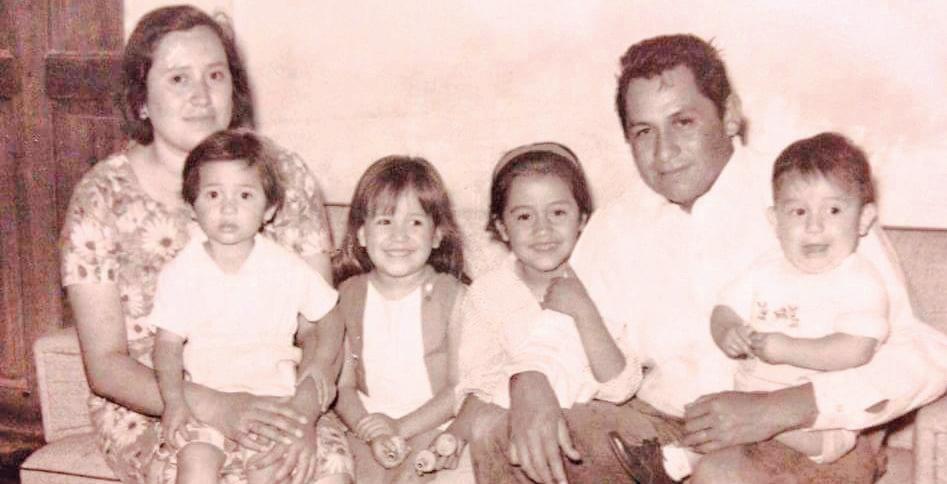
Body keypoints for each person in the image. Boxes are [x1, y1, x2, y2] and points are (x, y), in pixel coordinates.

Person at [471, 33, 947, 484]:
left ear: (730, 115)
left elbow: (922, 352)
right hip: (661, 427)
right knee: (502, 438)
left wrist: (788, 406)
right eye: (644, 131)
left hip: (806, 434)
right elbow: (567, 327)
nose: (664, 152)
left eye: (683, 122)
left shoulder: (809, 199)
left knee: (722, 475)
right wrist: (532, 379)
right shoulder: (617, 225)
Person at [60, 6, 352, 483]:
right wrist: (219, 406)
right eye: (178, 78)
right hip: (158, 402)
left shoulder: (283, 174)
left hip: (274, 386)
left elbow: (319, 327)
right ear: (140, 99)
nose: (201, 94)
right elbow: (107, 366)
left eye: (215, 75)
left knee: (325, 466)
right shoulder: (101, 198)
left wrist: (303, 408)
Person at [676, 132, 888, 479]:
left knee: (741, 430)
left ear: (864, 219)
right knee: (706, 408)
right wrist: (727, 331)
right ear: (775, 221)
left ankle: (693, 456)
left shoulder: (859, 280)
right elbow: (724, 309)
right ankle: (681, 457)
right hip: (748, 403)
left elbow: (856, 349)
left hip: (820, 422)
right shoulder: (765, 269)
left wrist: (785, 348)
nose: (814, 226)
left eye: (833, 210)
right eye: (798, 211)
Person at [428, 142, 641, 479]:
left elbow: (620, 387)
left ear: (582, 219)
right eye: (524, 216)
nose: (543, 229)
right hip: (512, 434)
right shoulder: (488, 293)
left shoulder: (599, 280)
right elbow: (481, 382)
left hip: (592, 431)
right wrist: (456, 432)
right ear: (501, 227)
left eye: (557, 213)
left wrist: (584, 311)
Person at [150, 130, 344, 483]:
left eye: (244, 195)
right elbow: (166, 345)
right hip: (206, 402)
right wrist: (174, 400)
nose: (228, 207)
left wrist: (319, 364)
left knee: (269, 468)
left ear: (269, 209)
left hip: (273, 400)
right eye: (213, 194)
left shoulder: (285, 266)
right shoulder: (181, 272)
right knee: (194, 463)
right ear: (192, 206)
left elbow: (330, 316)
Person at [330, 156, 469, 483]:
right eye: (385, 221)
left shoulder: (455, 297)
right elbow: (343, 386)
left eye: (415, 223)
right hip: (366, 427)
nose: (399, 235)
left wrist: (400, 428)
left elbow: (458, 389)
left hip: (432, 425)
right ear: (361, 234)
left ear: (437, 235)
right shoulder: (345, 296)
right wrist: (369, 430)